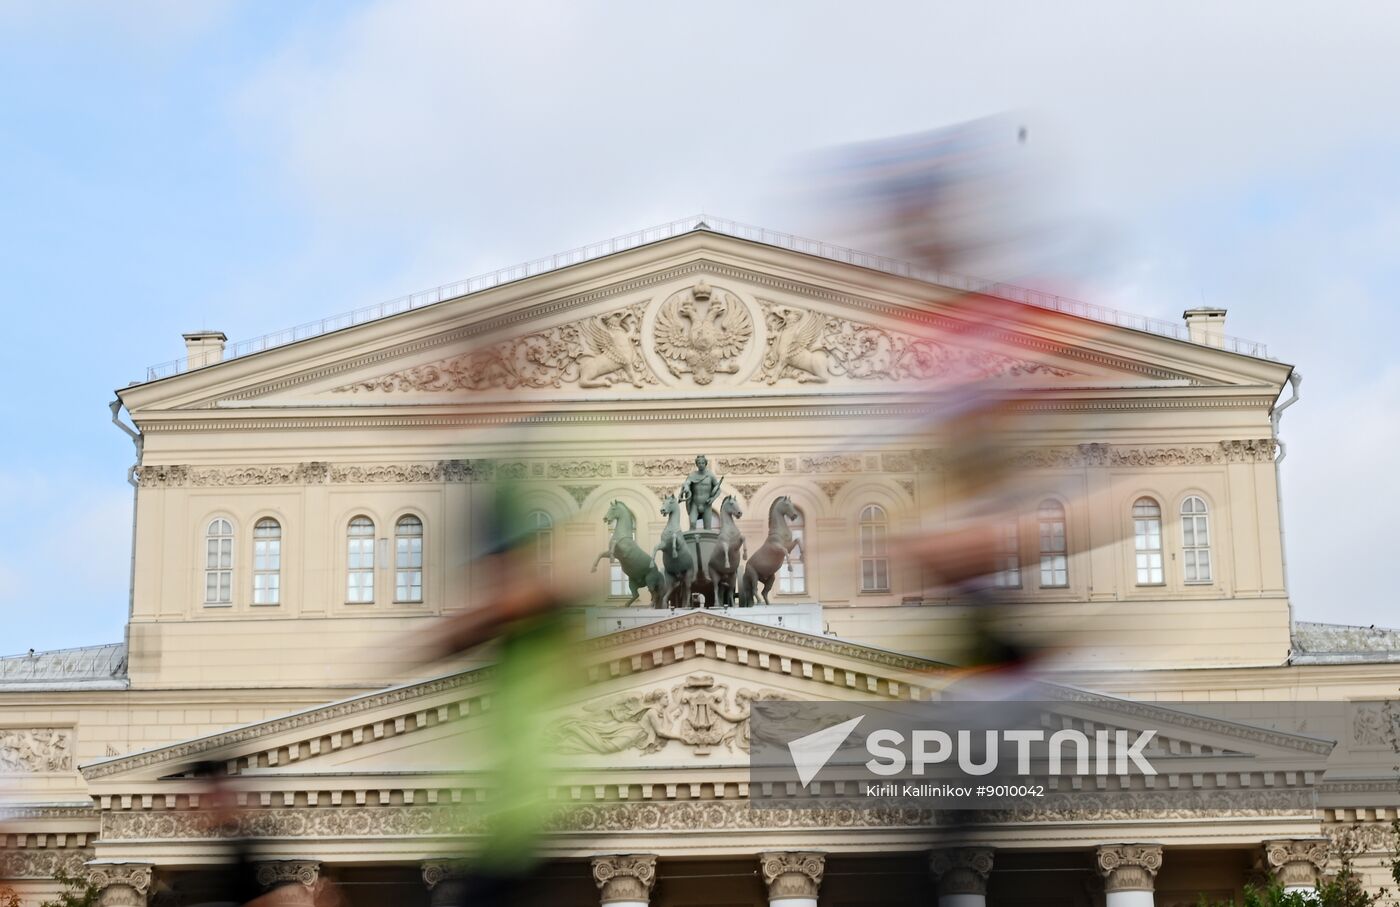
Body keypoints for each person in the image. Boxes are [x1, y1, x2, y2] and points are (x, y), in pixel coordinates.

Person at [678, 454, 722, 529]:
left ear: (705, 464)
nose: (701, 465)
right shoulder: (692, 475)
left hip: (706, 505)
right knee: (692, 523)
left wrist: (712, 499)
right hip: (695, 504)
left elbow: (718, 489)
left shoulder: (710, 475)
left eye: (702, 463)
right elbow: (687, 482)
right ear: (697, 464)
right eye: (699, 463)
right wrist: (686, 487)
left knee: (708, 527)